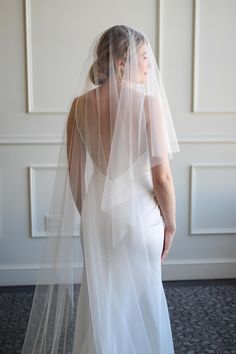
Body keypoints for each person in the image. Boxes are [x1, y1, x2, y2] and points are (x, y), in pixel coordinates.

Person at [21, 25, 180, 354]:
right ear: (122, 63)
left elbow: (75, 176)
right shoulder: (149, 105)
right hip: (141, 216)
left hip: (96, 214)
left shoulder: (78, 107)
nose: (149, 66)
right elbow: (162, 177)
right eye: (144, 58)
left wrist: (90, 215)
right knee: (144, 293)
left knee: (102, 297)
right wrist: (171, 223)